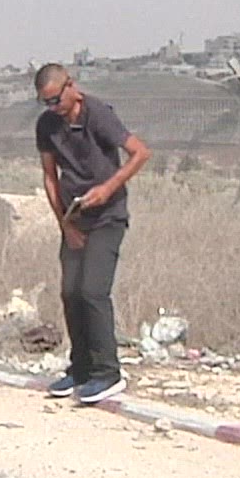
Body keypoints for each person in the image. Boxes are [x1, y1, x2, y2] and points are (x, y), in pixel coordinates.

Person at [34, 64, 150, 405]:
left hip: (107, 217)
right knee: (70, 292)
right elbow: (50, 176)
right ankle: (81, 368)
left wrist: (108, 188)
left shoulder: (98, 114)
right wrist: (65, 225)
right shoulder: (47, 125)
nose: (53, 107)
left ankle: (108, 372)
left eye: (56, 100)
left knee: (93, 290)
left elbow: (140, 152)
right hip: (75, 217)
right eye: (46, 102)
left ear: (71, 87)